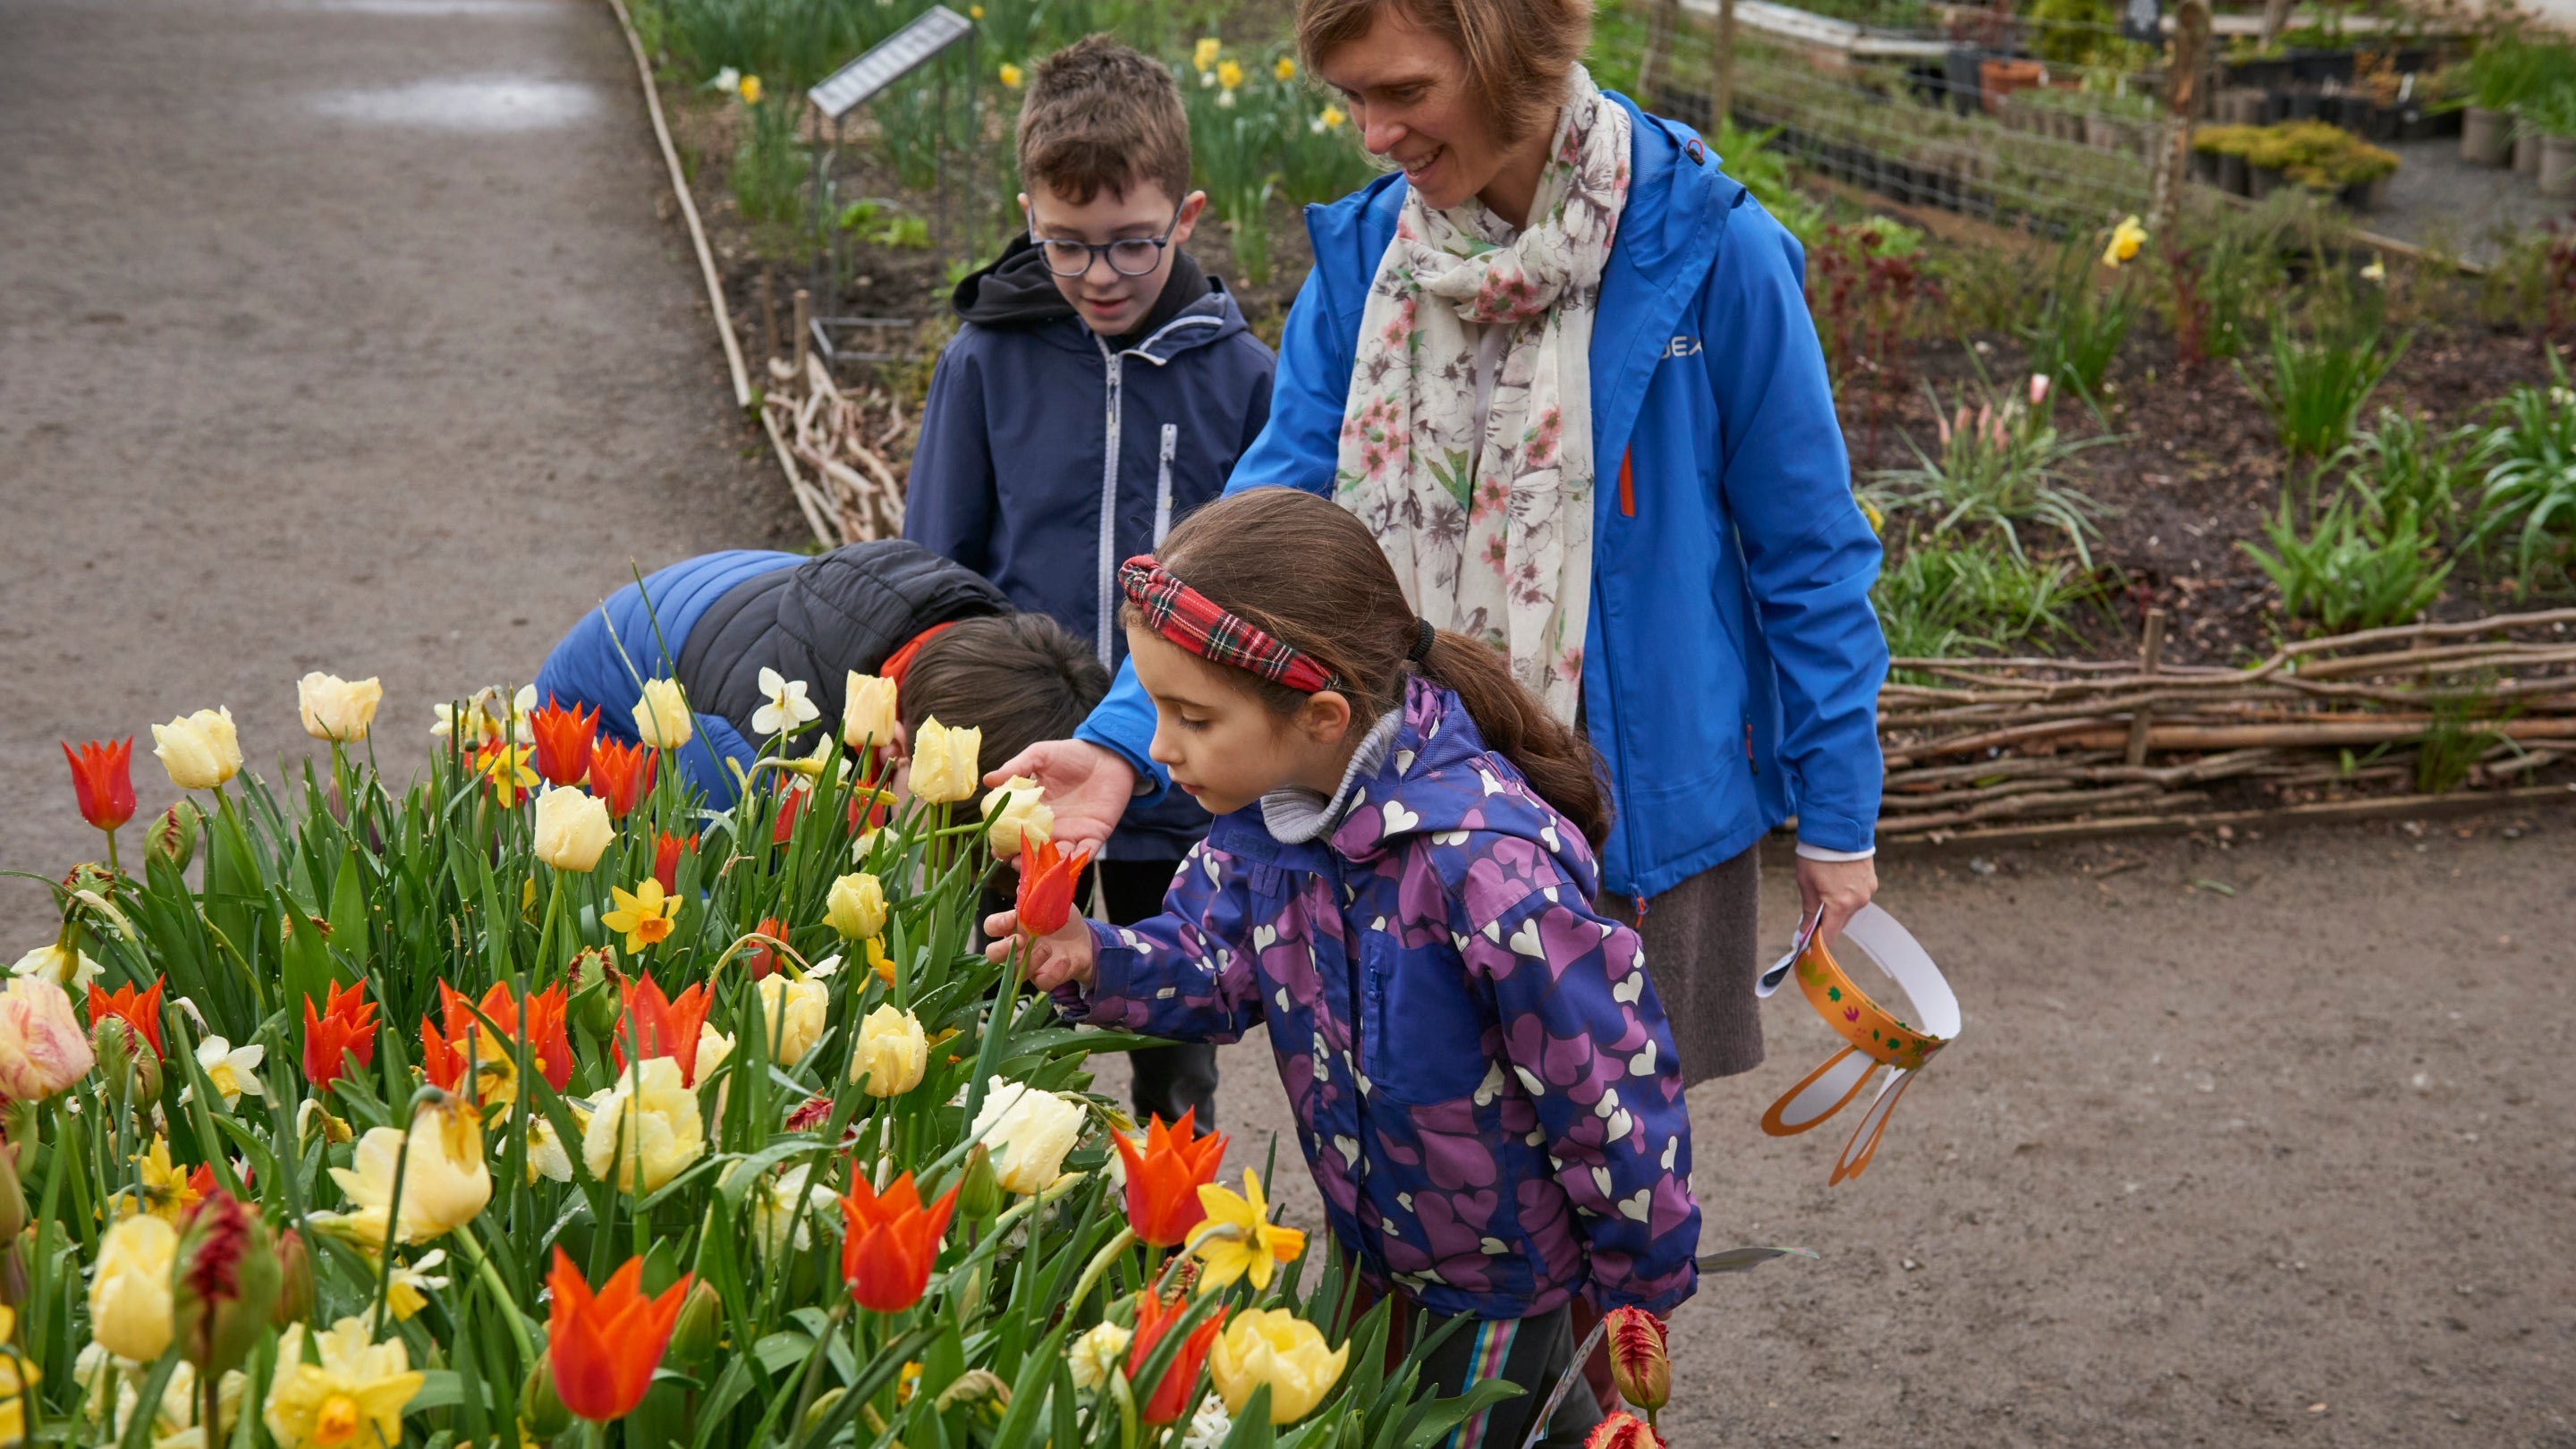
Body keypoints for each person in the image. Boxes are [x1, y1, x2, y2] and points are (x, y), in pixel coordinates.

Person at [991, 0, 1888, 1104]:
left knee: (1607, 1174)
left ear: (1513, 54)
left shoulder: (1708, 249)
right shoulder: (1374, 252)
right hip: (1398, 803)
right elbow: (1265, 515)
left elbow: (1809, 552)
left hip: (1630, 815)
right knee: (1419, 1164)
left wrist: (1838, 816)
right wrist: (1125, 743)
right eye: (1352, 96)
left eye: (1404, 92)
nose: (1373, 133)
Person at [986, 489, 1696, 1449]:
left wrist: (1638, 1277)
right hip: (1369, 1241)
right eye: (1156, 707)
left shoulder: (1484, 865)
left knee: (1467, 1425)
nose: (1158, 748)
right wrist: (1091, 954)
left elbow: (1606, 1086)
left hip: (1499, 1276)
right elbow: (1208, 964)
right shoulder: (1267, 825)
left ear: (1320, 713)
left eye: (1191, 716)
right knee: (1403, 1419)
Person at [906, 35, 1278, 1131]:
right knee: (1009, 1013)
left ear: (1188, 217)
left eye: (1130, 246)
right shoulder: (987, 358)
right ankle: (1029, 1224)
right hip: (1023, 765)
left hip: (1181, 770)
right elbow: (939, 565)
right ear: (1029, 215)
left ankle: (1167, 1233)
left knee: (1174, 1036)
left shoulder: (1242, 378)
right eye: (1066, 248)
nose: (1098, 278)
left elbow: (1260, 576)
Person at [531, 541, 1106, 801]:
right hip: (592, 730)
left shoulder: (983, 641)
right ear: (898, 746)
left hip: (739, 620)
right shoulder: (762, 749)